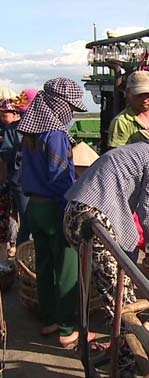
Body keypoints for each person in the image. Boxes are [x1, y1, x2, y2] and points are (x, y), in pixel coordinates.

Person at [64, 108, 149, 322]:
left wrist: (148, 243)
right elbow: (148, 211)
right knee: (122, 295)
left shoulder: (137, 149)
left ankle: (101, 338)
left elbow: (131, 213)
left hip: (75, 213)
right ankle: (126, 351)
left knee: (115, 278)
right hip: (93, 219)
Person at [17, 77, 89, 348]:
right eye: (70, 106)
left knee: (45, 266)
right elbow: (60, 179)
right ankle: (67, 329)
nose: (71, 112)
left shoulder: (30, 134)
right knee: (68, 268)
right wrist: (74, 207)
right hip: (55, 208)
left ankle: (48, 319)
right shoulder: (55, 135)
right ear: (58, 104)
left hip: (34, 207)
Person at [0, 89, 38, 256]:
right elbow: (7, 154)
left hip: (24, 180)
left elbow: (6, 153)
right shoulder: (21, 128)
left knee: (28, 218)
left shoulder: (15, 129)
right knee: (28, 219)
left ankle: (25, 253)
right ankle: (24, 255)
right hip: (24, 180)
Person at [107, 70, 149, 148]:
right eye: (139, 95)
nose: (145, 100)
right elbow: (117, 156)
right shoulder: (121, 122)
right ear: (128, 93)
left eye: (148, 95)